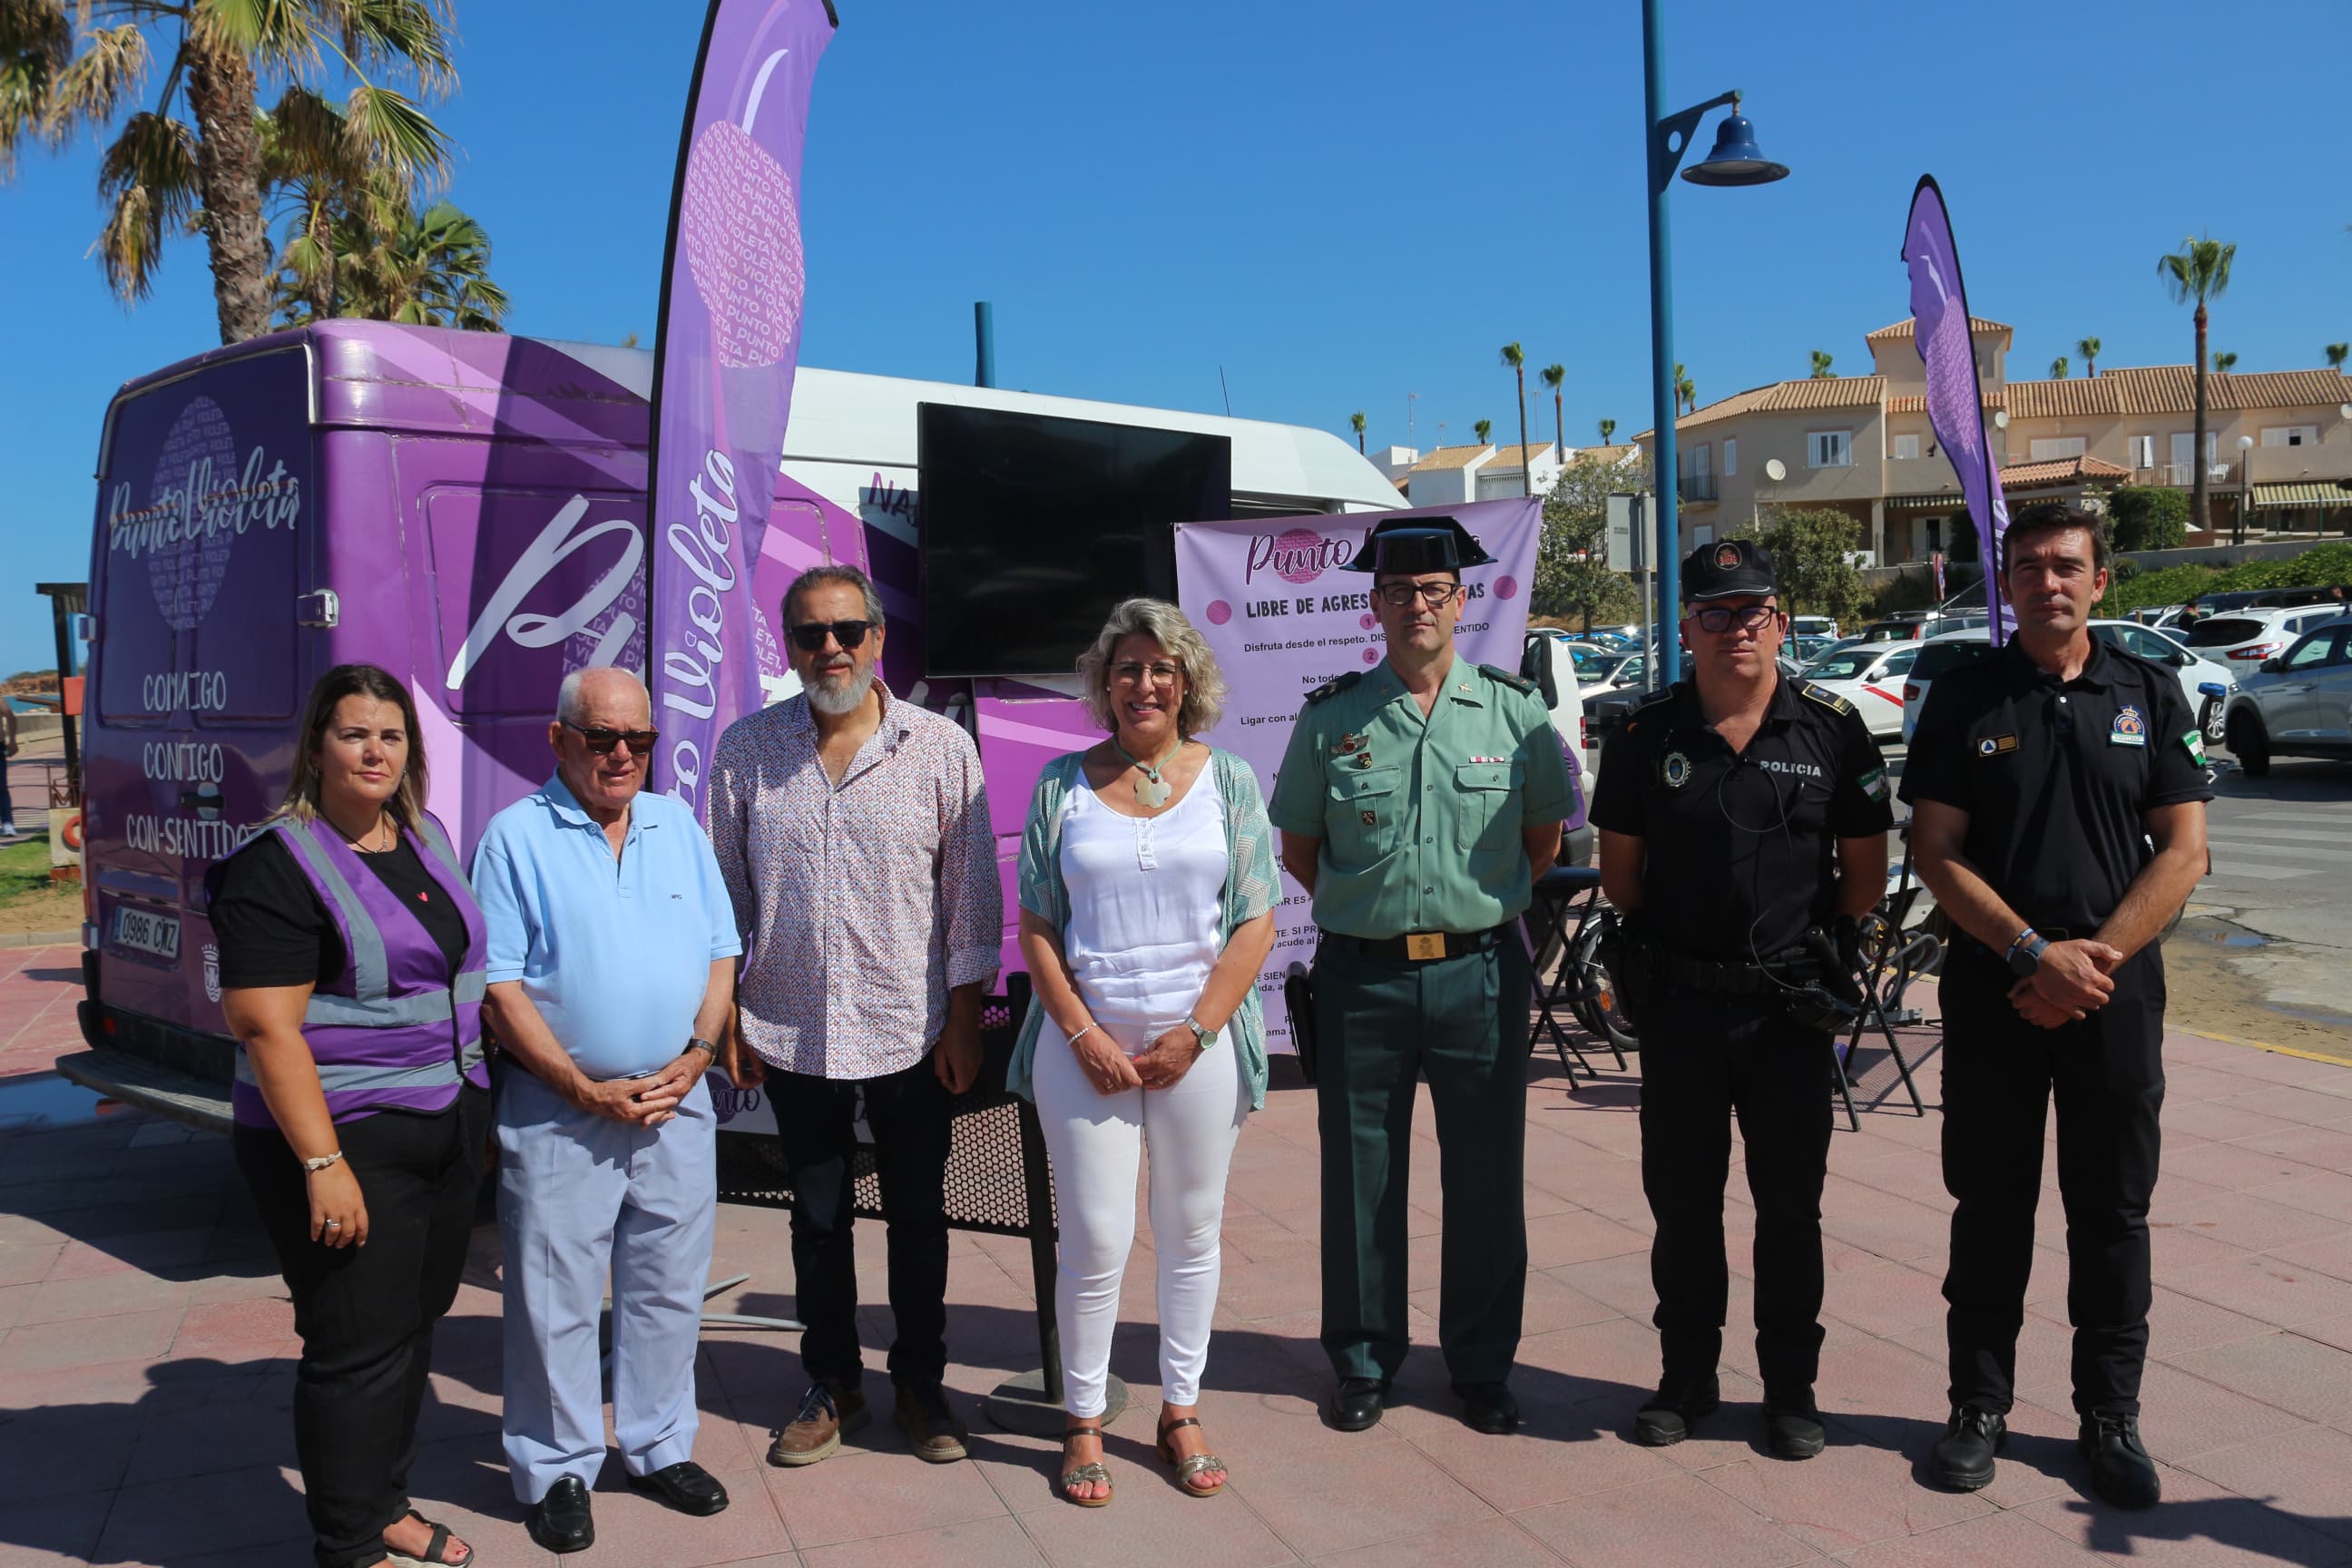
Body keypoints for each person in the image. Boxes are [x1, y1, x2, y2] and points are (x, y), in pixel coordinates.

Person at [1905, 504, 2210, 1508]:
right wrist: (2033, 955)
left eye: (2066, 565)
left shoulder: (2150, 692)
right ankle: (1977, 1408)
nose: (2048, 581)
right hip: (1997, 994)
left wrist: (2095, 962)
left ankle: (2109, 1417)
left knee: (2112, 1215)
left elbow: (2186, 849)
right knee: (1990, 1209)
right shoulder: (1962, 698)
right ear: (2008, 582)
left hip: (2115, 997)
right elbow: (1935, 852)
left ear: (2100, 581)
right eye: (2028, 566)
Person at [1269, 515, 1577, 1436]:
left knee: (1486, 1179)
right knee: (1361, 1177)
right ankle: (1363, 1361)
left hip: (1481, 974)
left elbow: (1544, 839)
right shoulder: (1332, 718)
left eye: (1433, 592)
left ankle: (1481, 1366)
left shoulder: (1515, 713)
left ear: (1460, 600)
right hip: (1363, 981)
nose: (1416, 608)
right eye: (1398, 593)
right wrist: (1378, 914)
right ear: (1374, 606)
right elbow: (1301, 850)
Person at [1591, 539, 1892, 1459]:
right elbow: (1622, 879)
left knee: (1790, 1210)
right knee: (1684, 1209)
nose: (1734, 629)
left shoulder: (1833, 728)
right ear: (1685, 627)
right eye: (1714, 613)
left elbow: (1865, 880)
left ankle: (1791, 1390)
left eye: (1752, 611)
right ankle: (1686, 1380)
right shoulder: (1646, 737)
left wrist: (1807, 955)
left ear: (1781, 622)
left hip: (1787, 1015)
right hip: (1681, 1008)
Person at [710, 563, 1001, 1470]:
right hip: (791, 1028)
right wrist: (723, 1017)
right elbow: (725, 897)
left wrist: (962, 1019)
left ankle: (921, 1386)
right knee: (818, 1221)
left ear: (876, 639)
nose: (828, 648)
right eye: (808, 634)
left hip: (911, 1030)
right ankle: (832, 1384)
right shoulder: (748, 750)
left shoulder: (940, 748)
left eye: (845, 631)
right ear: (790, 645)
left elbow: (971, 899)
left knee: (918, 1218)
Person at [209, 664, 488, 1568]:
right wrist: (324, 1165)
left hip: (444, 1124)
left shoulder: (425, 837)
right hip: (343, 1139)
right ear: (318, 747)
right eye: (354, 733)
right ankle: (347, 1544)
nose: (375, 751)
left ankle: (384, 1504)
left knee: (411, 1325)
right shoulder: (275, 865)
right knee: (353, 1344)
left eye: (392, 735)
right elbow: (263, 1024)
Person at [1009, 598, 1279, 1506]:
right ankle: (1084, 1419)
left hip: (1196, 1046)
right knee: (1094, 1237)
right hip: (1084, 1045)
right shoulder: (1061, 783)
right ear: (1106, 683)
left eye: (1161, 667)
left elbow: (1255, 917)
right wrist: (1083, 1030)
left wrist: (1196, 1032)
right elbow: (1038, 923)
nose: (1144, 683)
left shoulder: (1230, 780)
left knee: (1192, 1232)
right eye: (1127, 667)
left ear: (1188, 680)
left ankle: (1181, 1407)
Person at [471, 668, 742, 1552]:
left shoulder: (677, 826)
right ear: (559, 741)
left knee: (667, 1289)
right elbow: (500, 987)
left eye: (640, 739)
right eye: (601, 738)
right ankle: (555, 1469)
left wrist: (700, 1056)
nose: (622, 754)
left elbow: (720, 953)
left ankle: (659, 1445)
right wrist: (581, 1087)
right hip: (561, 1110)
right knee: (553, 1298)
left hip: (675, 1103)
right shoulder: (514, 838)